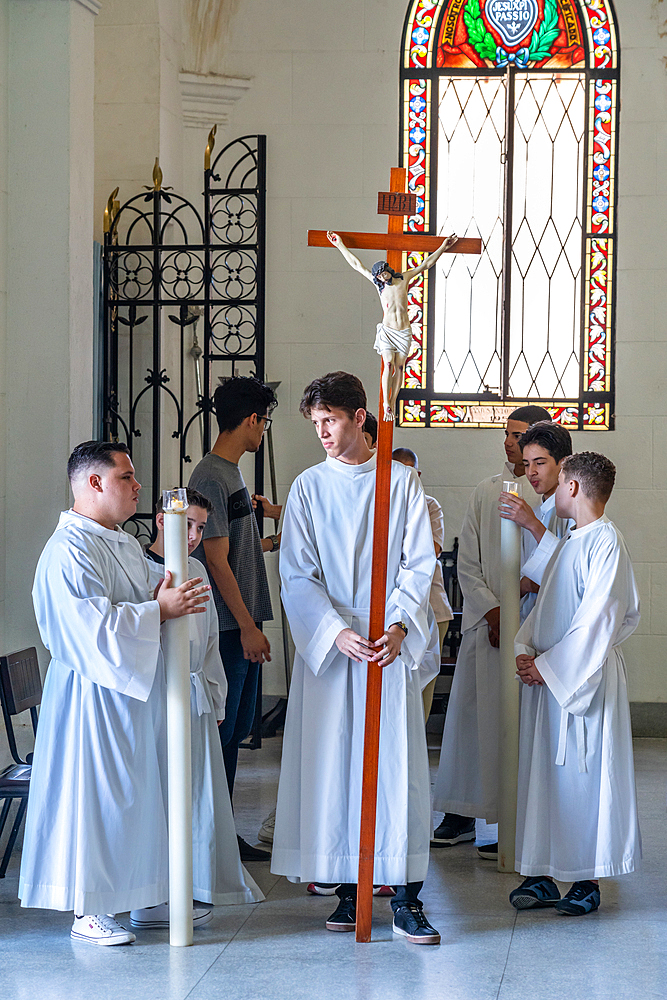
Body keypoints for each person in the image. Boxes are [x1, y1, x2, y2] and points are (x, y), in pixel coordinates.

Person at [271, 371, 442, 944]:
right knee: (335, 769)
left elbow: (420, 562)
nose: (321, 432)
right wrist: (333, 632)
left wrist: (397, 626)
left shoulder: (402, 482)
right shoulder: (308, 488)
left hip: (386, 650)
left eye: (331, 421)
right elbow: (296, 571)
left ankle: (408, 898)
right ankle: (349, 889)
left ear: (360, 417)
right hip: (334, 650)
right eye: (315, 423)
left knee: (396, 771)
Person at [19, 442, 211, 945]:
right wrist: (159, 611)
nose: (138, 486)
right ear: (94, 484)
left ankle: (141, 896)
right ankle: (90, 907)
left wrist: (170, 597)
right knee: (98, 798)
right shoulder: (68, 550)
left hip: (132, 691)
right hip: (93, 696)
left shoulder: (120, 541)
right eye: (126, 477)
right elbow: (85, 628)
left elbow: (150, 590)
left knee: (137, 796)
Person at [509, 452, 641, 915]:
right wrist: (528, 653)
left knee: (584, 780)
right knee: (547, 778)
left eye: (560, 478)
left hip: (584, 683)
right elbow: (549, 607)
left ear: (574, 488)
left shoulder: (607, 542)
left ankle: (586, 880)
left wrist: (549, 666)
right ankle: (543, 873)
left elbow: (600, 620)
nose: (551, 486)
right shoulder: (571, 539)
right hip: (552, 679)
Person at [132, 488, 264, 926]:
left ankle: (198, 881)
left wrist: (215, 693)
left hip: (194, 695)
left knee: (196, 791)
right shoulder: (138, 567)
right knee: (160, 794)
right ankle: (153, 890)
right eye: (186, 524)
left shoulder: (198, 571)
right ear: (159, 521)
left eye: (201, 528)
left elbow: (209, 643)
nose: (192, 536)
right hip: (152, 697)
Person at [431, 406, 551, 857]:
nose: (509, 443)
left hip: (533, 624)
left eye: (518, 435)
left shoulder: (550, 497)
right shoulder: (486, 492)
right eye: (506, 435)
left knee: (518, 724)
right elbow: (468, 563)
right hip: (490, 625)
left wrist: (520, 612)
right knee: (471, 718)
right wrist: (495, 609)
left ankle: (513, 820)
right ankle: (461, 811)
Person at [188, 375, 278, 863]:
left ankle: (221, 833)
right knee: (223, 729)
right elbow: (214, 559)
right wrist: (246, 625)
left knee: (238, 725)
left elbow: (235, 545)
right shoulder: (209, 476)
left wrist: (267, 544)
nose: (263, 431)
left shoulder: (231, 472)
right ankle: (213, 838)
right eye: (263, 421)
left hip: (241, 620)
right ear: (250, 420)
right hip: (226, 625)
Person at [326, 231, 458, 419]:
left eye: (383, 273)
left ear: (388, 269)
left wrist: (443, 247)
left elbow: (426, 264)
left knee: (400, 367)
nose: (382, 278)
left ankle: (393, 400)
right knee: (388, 363)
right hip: (388, 331)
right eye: (379, 277)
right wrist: (339, 245)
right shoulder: (379, 286)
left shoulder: (403, 279)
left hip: (403, 331)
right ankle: (385, 402)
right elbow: (357, 265)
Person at [392, 447, 454, 719]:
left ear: (418, 475)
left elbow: (433, 550)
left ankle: (417, 742)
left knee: (423, 678)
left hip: (431, 606)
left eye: (410, 472)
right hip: (392, 606)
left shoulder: (429, 504)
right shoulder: (379, 502)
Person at [498, 420, 573, 621]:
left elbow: (573, 571)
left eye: (539, 463)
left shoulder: (575, 511)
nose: (531, 472)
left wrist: (532, 524)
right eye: (526, 464)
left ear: (564, 463)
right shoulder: (537, 510)